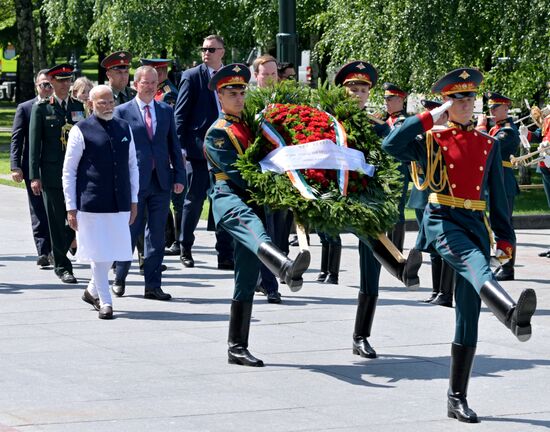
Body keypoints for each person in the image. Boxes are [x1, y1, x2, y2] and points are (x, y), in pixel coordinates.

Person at [383, 67, 537, 423]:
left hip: (475, 225)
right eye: (457, 98)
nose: (465, 104)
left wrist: (505, 240)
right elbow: (390, 146)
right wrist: (426, 118)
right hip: (442, 221)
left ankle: (456, 398)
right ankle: (511, 314)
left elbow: (498, 199)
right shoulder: (431, 138)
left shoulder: (489, 143)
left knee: (467, 317)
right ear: (445, 103)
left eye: (469, 97)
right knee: (473, 265)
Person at [204, 63, 310, 367]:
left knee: (247, 277)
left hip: (252, 200)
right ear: (220, 97)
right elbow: (240, 174)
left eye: (241, 91)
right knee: (253, 228)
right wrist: (278, 183)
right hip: (229, 198)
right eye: (232, 93)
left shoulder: (251, 126)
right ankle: (284, 267)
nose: (239, 97)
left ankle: (236, 346)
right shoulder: (219, 133)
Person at [334, 61, 422, 359]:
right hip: (331, 197)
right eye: (352, 89)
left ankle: (361, 335)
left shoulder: (378, 126)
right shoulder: (328, 122)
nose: (358, 94)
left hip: (367, 201)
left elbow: (394, 162)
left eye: (363, 89)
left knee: (370, 268)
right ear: (341, 91)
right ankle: (398, 266)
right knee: (372, 243)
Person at [62, 85, 139, 319]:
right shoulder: (80, 130)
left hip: (120, 201)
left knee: (113, 250)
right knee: (98, 252)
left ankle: (91, 290)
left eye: (110, 101)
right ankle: (105, 301)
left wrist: (134, 200)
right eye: (101, 102)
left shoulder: (124, 127)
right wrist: (70, 206)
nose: (107, 106)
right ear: (90, 104)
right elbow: (69, 171)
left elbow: (132, 165)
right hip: (92, 201)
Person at [111, 65, 186, 300]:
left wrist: (180, 177)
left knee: (156, 236)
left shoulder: (165, 110)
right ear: (136, 84)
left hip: (161, 182)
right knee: (130, 233)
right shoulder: (122, 112)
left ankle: (153, 285)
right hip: (133, 183)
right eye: (146, 82)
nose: (151, 87)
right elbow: (115, 150)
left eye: (154, 82)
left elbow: (174, 145)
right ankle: (120, 277)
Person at [174, 34, 234, 270]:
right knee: (194, 200)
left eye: (211, 49)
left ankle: (225, 254)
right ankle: (185, 246)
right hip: (198, 151)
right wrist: (179, 149)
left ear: (222, 51)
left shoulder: (231, 76)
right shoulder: (192, 77)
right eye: (204, 49)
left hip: (226, 151)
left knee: (223, 202)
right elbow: (180, 115)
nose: (206, 53)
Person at [29, 63, 85, 283]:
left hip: (76, 173)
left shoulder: (79, 107)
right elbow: (35, 145)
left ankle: (60, 249)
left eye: (68, 80)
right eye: (60, 81)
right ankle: (63, 266)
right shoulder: (42, 108)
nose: (64, 85)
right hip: (52, 173)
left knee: (77, 217)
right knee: (55, 218)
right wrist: (35, 175)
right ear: (51, 82)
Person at [410, 99, 455, 307]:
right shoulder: (424, 137)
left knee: (445, 246)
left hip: (444, 195)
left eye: (435, 114)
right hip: (425, 194)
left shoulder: (449, 137)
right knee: (432, 246)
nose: (431, 117)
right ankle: (437, 290)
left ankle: (446, 293)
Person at [10, 69, 53, 268]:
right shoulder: (25, 108)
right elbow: (16, 139)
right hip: (32, 168)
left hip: (55, 167)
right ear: (37, 86)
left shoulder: (59, 107)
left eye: (50, 84)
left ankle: (57, 248)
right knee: (38, 210)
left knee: (55, 209)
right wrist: (15, 166)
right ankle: (43, 251)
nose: (47, 88)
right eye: (44, 84)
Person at [140, 57, 182, 257]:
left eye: (155, 75)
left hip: (160, 162)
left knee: (165, 208)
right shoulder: (157, 93)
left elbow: (170, 133)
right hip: (147, 166)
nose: (150, 84)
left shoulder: (167, 95)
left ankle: (172, 238)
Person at [476, 92, 520, 280]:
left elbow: (485, 146)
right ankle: (498, 263)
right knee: (493, 224)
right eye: (491, 108)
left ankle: (507, 267)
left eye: (495, 108)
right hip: (492, 182)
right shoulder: (496, 129)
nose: (491, 111)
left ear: (505, 108)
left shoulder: (508, 131)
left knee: (504, 225)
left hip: (503, 183)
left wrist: (480, 127)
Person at [251, 54, 283, 303]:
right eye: (266, 74)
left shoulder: (285, 101)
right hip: (255, 175)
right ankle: (269, 284)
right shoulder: (247, 102)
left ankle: (265, 280)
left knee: (275, 230)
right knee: (263, 231)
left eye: (274, 74)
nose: (271, 79)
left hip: (281, 174)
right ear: (256, 76)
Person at [382, 82, 409, 252]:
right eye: (385, 99)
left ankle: (396, 249)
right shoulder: (386, 120)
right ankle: (388, 246)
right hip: (386, 170)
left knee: (397, 210)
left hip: (398, 169)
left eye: (390, 99)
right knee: (388, 208)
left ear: (400, 100)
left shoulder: (402, 122)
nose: (386, 102)